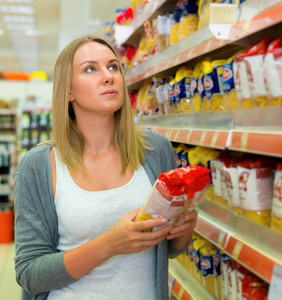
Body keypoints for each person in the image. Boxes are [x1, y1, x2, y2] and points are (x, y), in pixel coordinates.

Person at [14, 35, 198, 300]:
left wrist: (183, 229)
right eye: (91, 69)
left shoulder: (156, 150)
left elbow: (166, 250)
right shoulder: (39, 165)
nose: (108, 76)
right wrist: (110, 245)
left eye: (113, 67)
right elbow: (30, 274)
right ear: (68, 91)